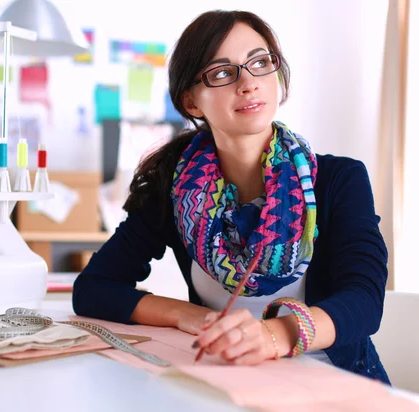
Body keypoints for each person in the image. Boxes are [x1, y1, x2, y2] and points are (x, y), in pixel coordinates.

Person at [72, 10, 389, 384]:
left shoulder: (339, 180)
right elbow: (94, 288)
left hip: (333, 382)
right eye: (222, 72)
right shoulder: (176, 189)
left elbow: (365, 301)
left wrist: (274, 335)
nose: (248, 83)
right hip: (227, 383)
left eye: (259, 62)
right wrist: (189, 316)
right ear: (191, 101)